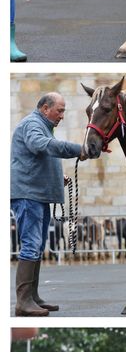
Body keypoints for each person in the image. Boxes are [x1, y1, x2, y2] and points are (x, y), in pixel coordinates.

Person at [11, 92, 86, 316]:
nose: (62, 115)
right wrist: (78, 149)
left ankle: (32, 297)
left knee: (37, 244)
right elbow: (41, 146)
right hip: (28, 195)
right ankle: (23, 302)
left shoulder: (42, 126)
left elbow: (40, 155)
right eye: (59, 110)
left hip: (37, 194)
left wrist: (57, 178)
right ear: (45, 108)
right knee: (31, 245)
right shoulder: (33, 124)